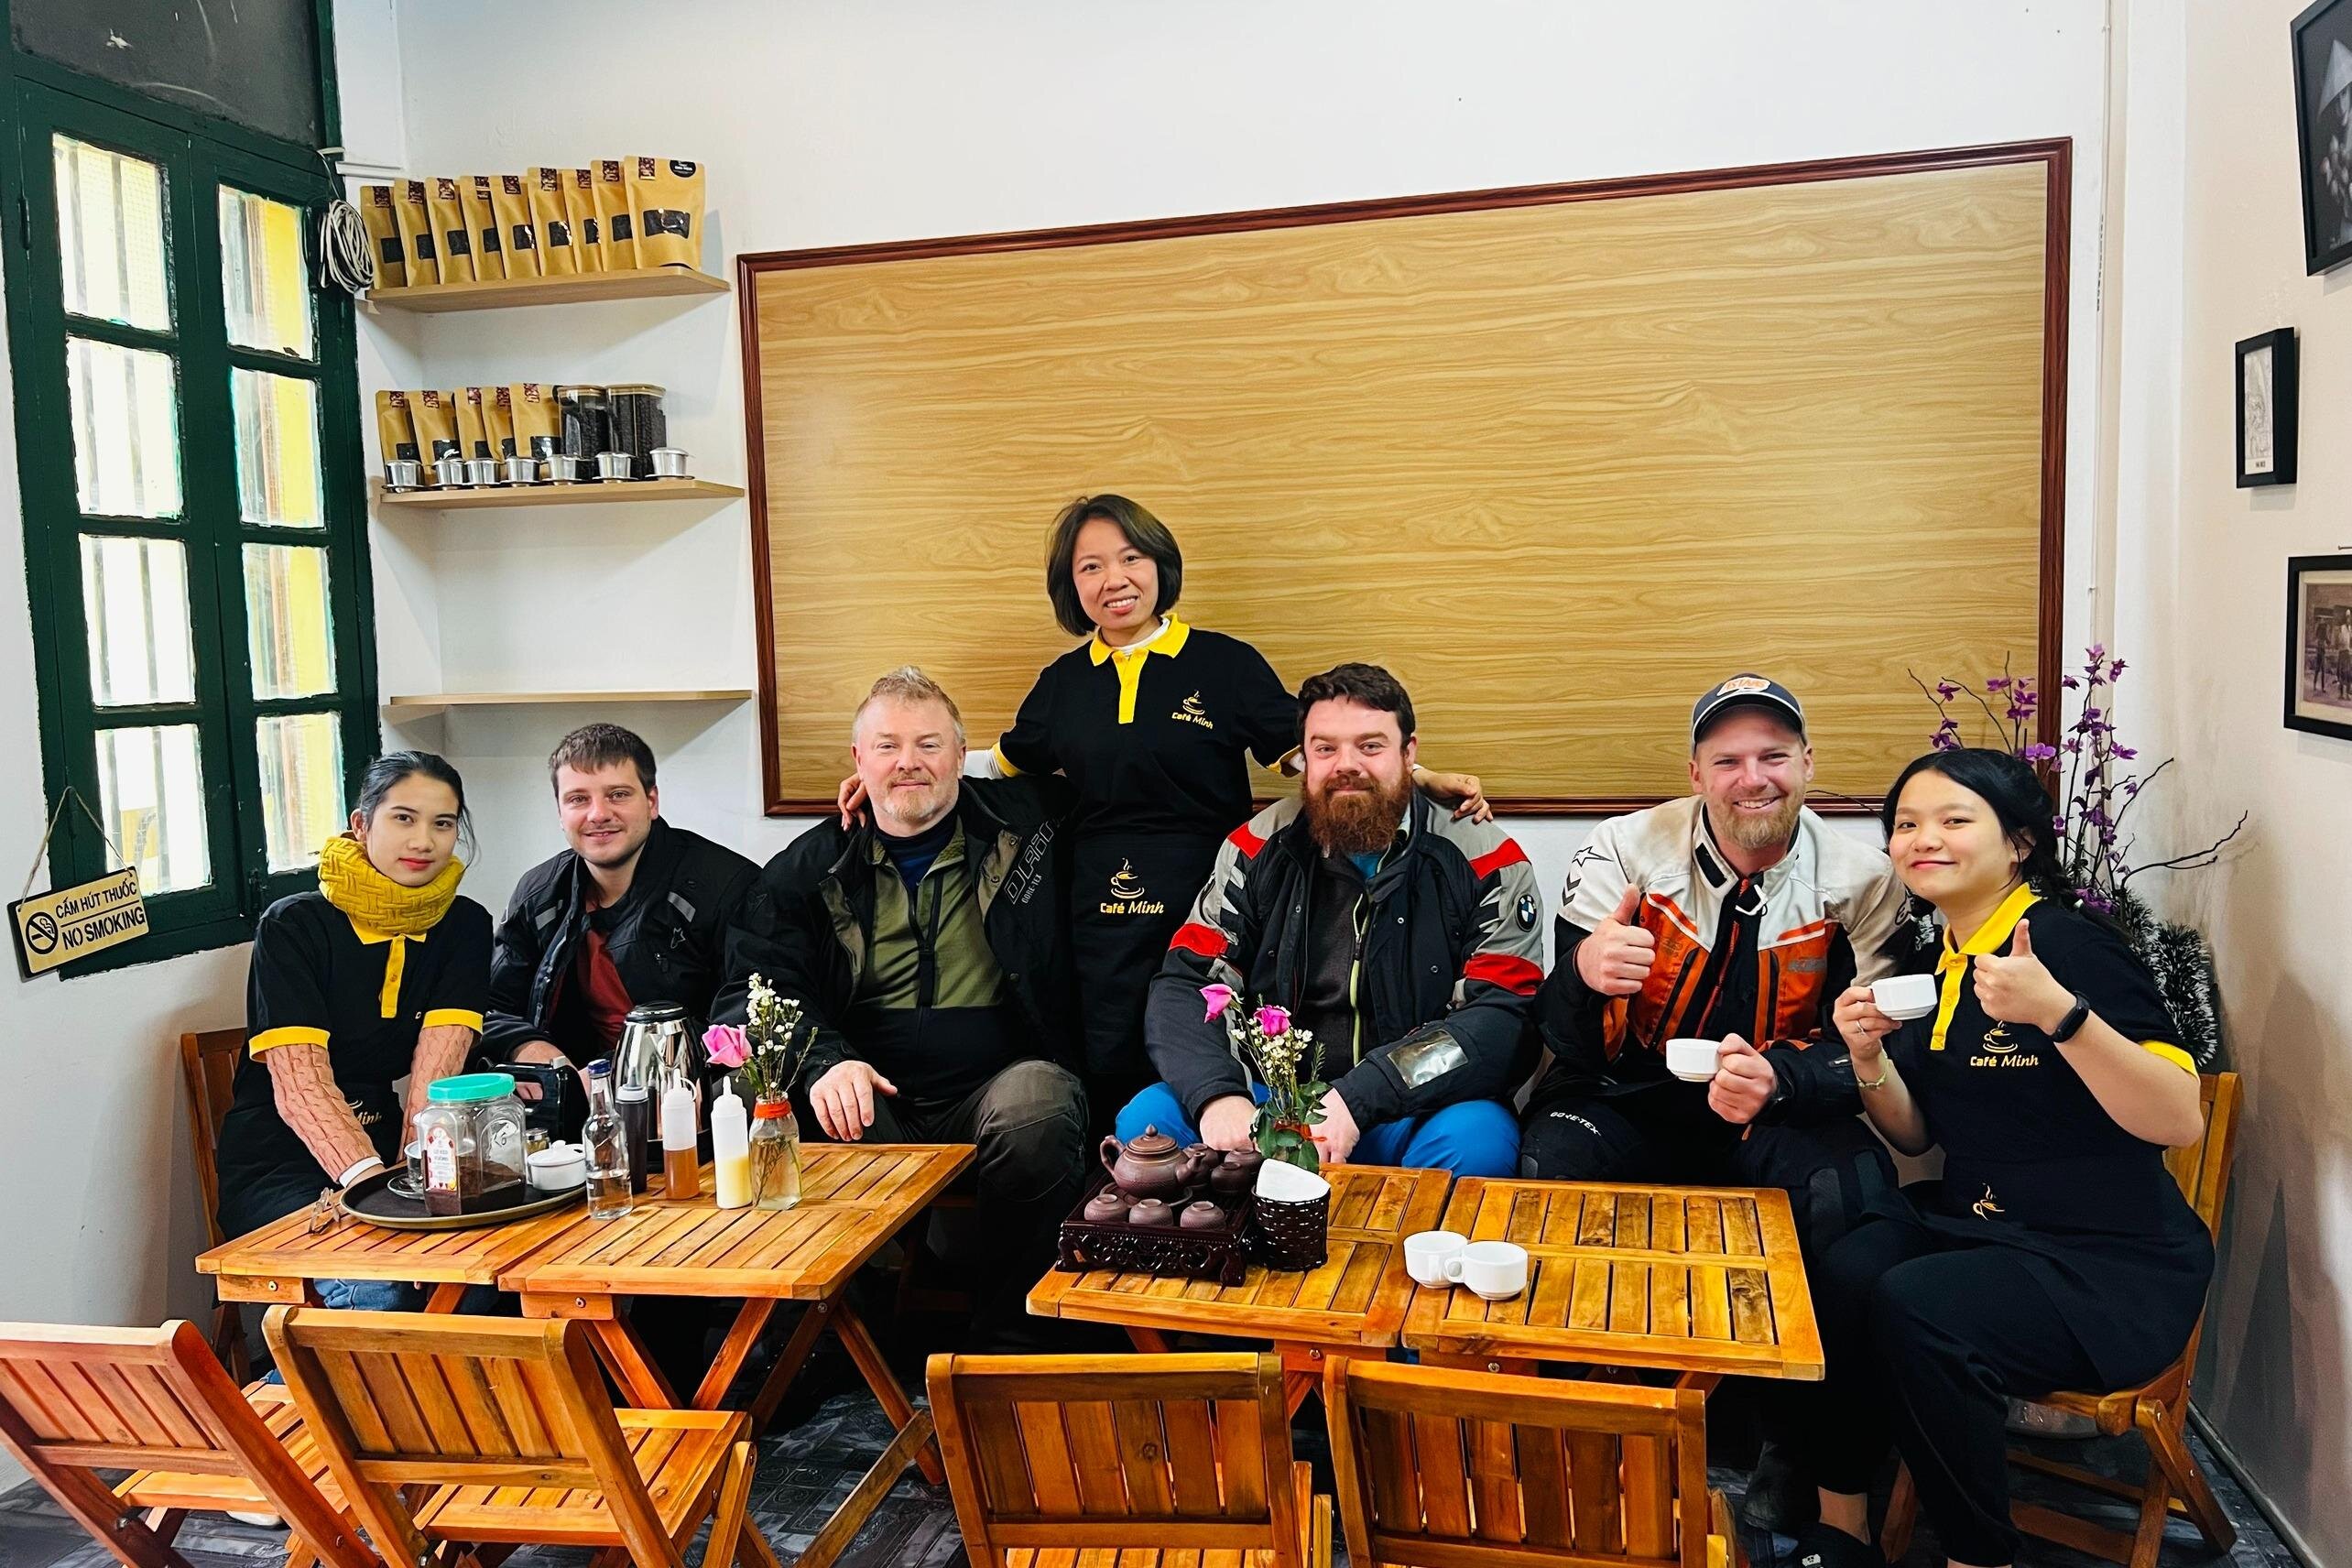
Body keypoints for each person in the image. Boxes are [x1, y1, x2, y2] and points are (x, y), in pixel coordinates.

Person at [836, 494, 1489, 1124]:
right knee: (1108, 1067)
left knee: (1201, 1042)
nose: (1114, 580)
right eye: (1090, 567)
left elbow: (1315, 755)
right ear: (1070, 585)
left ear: (1160, 565)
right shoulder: (1062, 684)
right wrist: (894, 776)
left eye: (1131, 558)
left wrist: (1417, 777)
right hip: (1097, 912)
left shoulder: (1224, 664)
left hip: (1210, 898)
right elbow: (997, 766)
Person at [1791, 748, 2210, 1568]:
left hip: (2105, 1259)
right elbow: (1917, 1136)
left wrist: (2060, 1015)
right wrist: (1867, 1059)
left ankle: (1979, 1555)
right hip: (1984, 1225)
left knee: (1920, 1305)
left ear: (2019, 841)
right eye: (1906, 824)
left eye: (1954, 820)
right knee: (1843, 1268)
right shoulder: (1940, 959)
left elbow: (2178, 1118)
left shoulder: (2066, 946)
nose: (1923, 839)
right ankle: (1842, 1528)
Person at [1517, 675, 1909, 1530]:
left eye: (1774, 756)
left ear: (1808, 764)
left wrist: (1786, 1081)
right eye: (1727, 761)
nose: (1752, 778)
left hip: (1778, 1103)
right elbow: (1564, 1035)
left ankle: (1804, 1450)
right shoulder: (1624, 848)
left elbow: (1879, 1046)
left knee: (1853, 1201)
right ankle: (1594, 1432)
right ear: (1696, 774)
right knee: (1552, 1163)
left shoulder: (1864, 879)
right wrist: (1583, 974)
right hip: (1628, 1094)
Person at [764, 667, 1088, 1345]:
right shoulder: (809, 867)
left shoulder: (1029, 824)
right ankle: (842, 1346)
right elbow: (760, 983)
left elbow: (1119, 782)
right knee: (785, 1106)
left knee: (1042, 1101)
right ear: (857, 761)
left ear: (962, 756)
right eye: (887, 747)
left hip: (993, 1088)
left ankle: (1009, 1344)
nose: (908, 762)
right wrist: (826, 1062)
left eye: (929, 745)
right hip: (867, 1096)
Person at [1119, 663, 1538, 1177]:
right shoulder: (1255, 847)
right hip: (1271, 1101)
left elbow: (1501, 1017)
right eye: (1325, 749)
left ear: (1409, 754)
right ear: (1304, 758)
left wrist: (1358, 1098)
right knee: (1148, 1122)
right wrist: (1219, 1096)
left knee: (1478, 1141)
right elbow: (1186, 982)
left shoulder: (1486, 859)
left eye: (1370, 746)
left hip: (1415, 1106)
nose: (1347, 765)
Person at [216, 753, 490, 1312]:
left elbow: (436, 1079)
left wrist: (415, 1179)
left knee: (481, 1275)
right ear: (361, 824)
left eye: (442, 824)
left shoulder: (463, 925)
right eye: (404, 818)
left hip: (390, 1153)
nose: (424, 841)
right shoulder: (293, 925)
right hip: (279, 1160)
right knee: (380, 1283)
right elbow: (300, 1088)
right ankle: (327, 1370)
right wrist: (375, 1192)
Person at [485, 724, 789, 1089]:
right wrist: (539, 1055)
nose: (598, 814)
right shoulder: (538, 894)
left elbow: (750, 1018)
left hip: (692, 1094)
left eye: (617, 795)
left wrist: (616, 1073)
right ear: (560, 812)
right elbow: (489, 1007)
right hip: (571, 1090)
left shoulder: (727, 886)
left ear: (651, 801)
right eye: (578, 799)